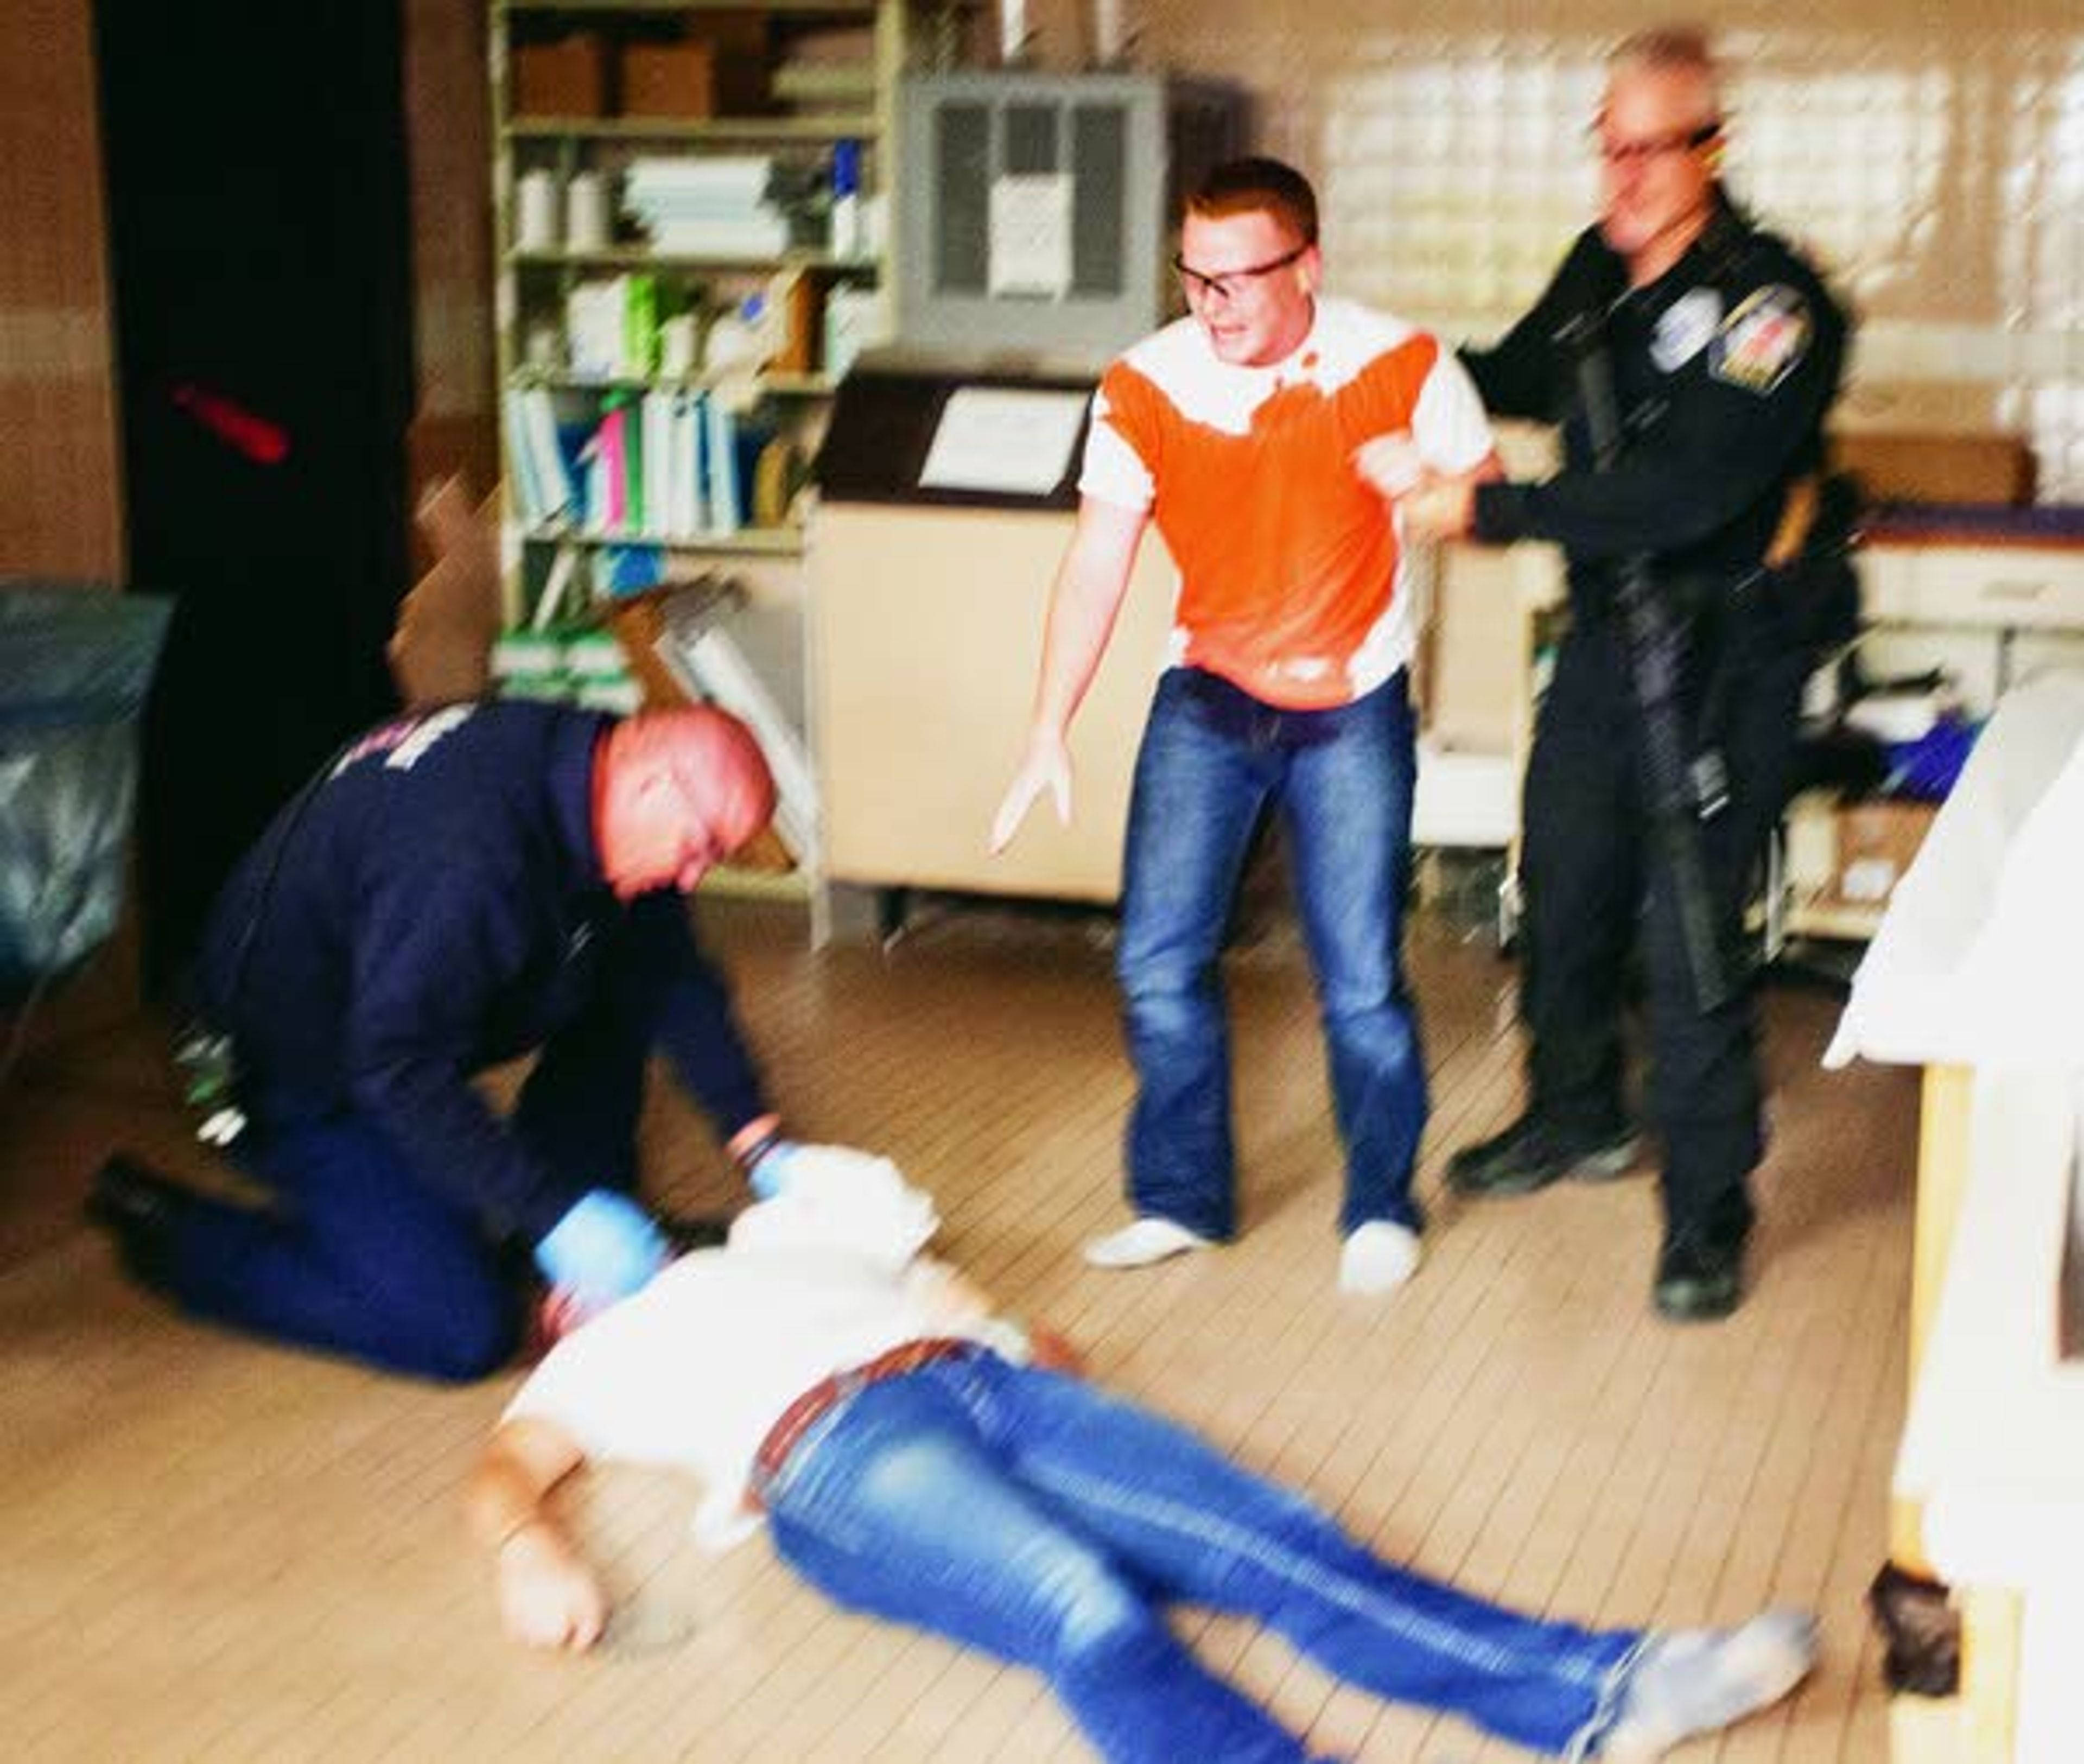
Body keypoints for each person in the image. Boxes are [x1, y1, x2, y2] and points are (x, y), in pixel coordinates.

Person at [469, 1167, 1819, 1761]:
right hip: (826, 1456)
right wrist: (533, 1546)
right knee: (1083, 1603)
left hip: (976, 1379)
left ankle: (1598, 1693)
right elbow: (504, 1472)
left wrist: (983, 1318)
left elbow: (1027, 1328)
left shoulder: (769, 1252)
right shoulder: (595, 1359)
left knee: (1277, 1539)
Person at [1371, 28, 1850, 1321]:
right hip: (1601, 645)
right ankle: (1574, 1113)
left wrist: (1488, 512)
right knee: (1566, 887)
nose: (1626, 172)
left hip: (1721, 655)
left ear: (1713, 147)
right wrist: (1384, 366)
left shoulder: (1775, 307)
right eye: (1611, 142)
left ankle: (1707, 1210)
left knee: (1688, 935)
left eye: (1654, 147)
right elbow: (1519, 373)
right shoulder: (1598, 272)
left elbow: (1684, 489)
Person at [992, 157, 1501, 1293]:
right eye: (1194, 278)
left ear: (1307, 266)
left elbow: (1488, 500)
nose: (1211, 305)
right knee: (1159, 961)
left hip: (1352, 707)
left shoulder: (1402, 362)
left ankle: (1380, 1200)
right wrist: (1046, 726)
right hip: (1209, 697)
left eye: (1238, 279)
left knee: (1361, 973)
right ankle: (1180, 1197)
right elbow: (1095, 565)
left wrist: (1428, 486)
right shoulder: (1143, 383)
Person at [85, 698, 878, 1380]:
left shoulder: (595, 763)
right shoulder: (466, 857)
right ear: (653, 783)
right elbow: (395, 1069)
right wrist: (552, 1211)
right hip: (264, 1062)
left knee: (623, 963)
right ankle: (174, 1235)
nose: (697, 873)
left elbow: (668, 968)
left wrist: (760, 1144)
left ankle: (560, 1224)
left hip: (395, 1010)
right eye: (701, 843)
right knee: (461, 1327)